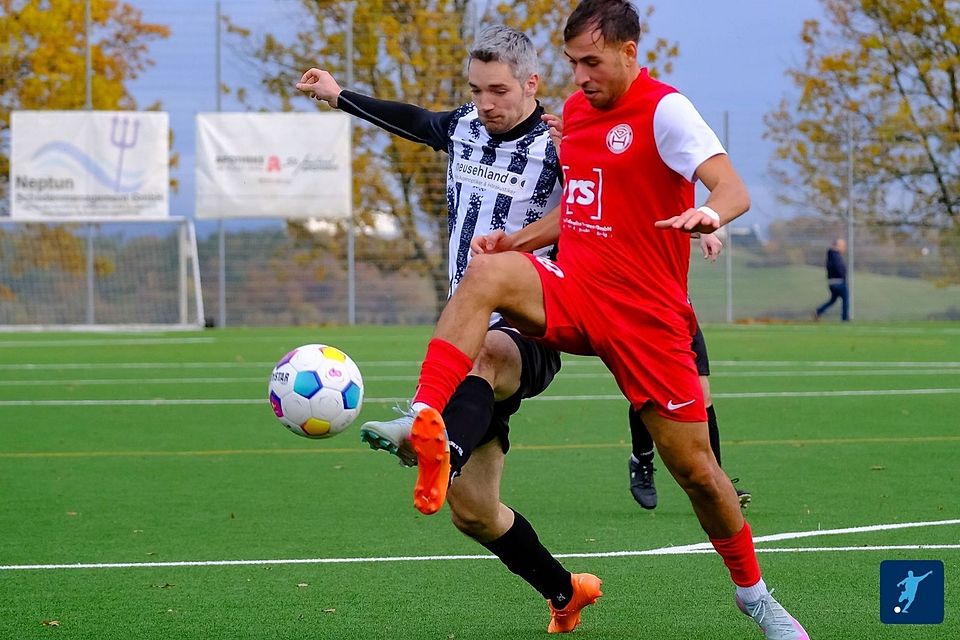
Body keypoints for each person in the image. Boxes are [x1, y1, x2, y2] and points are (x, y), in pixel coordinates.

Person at [403, 2, 809, 638]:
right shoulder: (578, 114)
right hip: (577, 289)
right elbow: (579, 210)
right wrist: (515, 243)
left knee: (699, 475)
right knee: (485, 276)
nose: (581, 76)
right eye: (572, 62)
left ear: (629, 52)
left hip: (647, 319)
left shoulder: (666, 110)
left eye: (591, 62)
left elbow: (733, 188)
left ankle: (754, 596)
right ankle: (425, 415)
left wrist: (710, 215)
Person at [296, 25, 602, 634]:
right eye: (476, 90)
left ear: (531, 84)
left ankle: (431, 436)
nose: (485, 103)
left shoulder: (561, 144)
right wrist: (339, 94)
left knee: (485, 352)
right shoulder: (464, 127)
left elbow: (607, 203)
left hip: (535, 322)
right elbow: (412, 119)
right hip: (466, 334)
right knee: (474, 512)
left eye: (498, 91)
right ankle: (566, 591)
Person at [814, 237, 849, 321]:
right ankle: (845, 318)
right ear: (838, 246)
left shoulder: (831, 255)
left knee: (833, 300)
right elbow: (838, 268)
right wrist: (843, 276)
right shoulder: (835, 256)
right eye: (843, 246)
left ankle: (819, 311)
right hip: (839, 281)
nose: (844, 248)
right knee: (846, 299)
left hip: (832, 282)